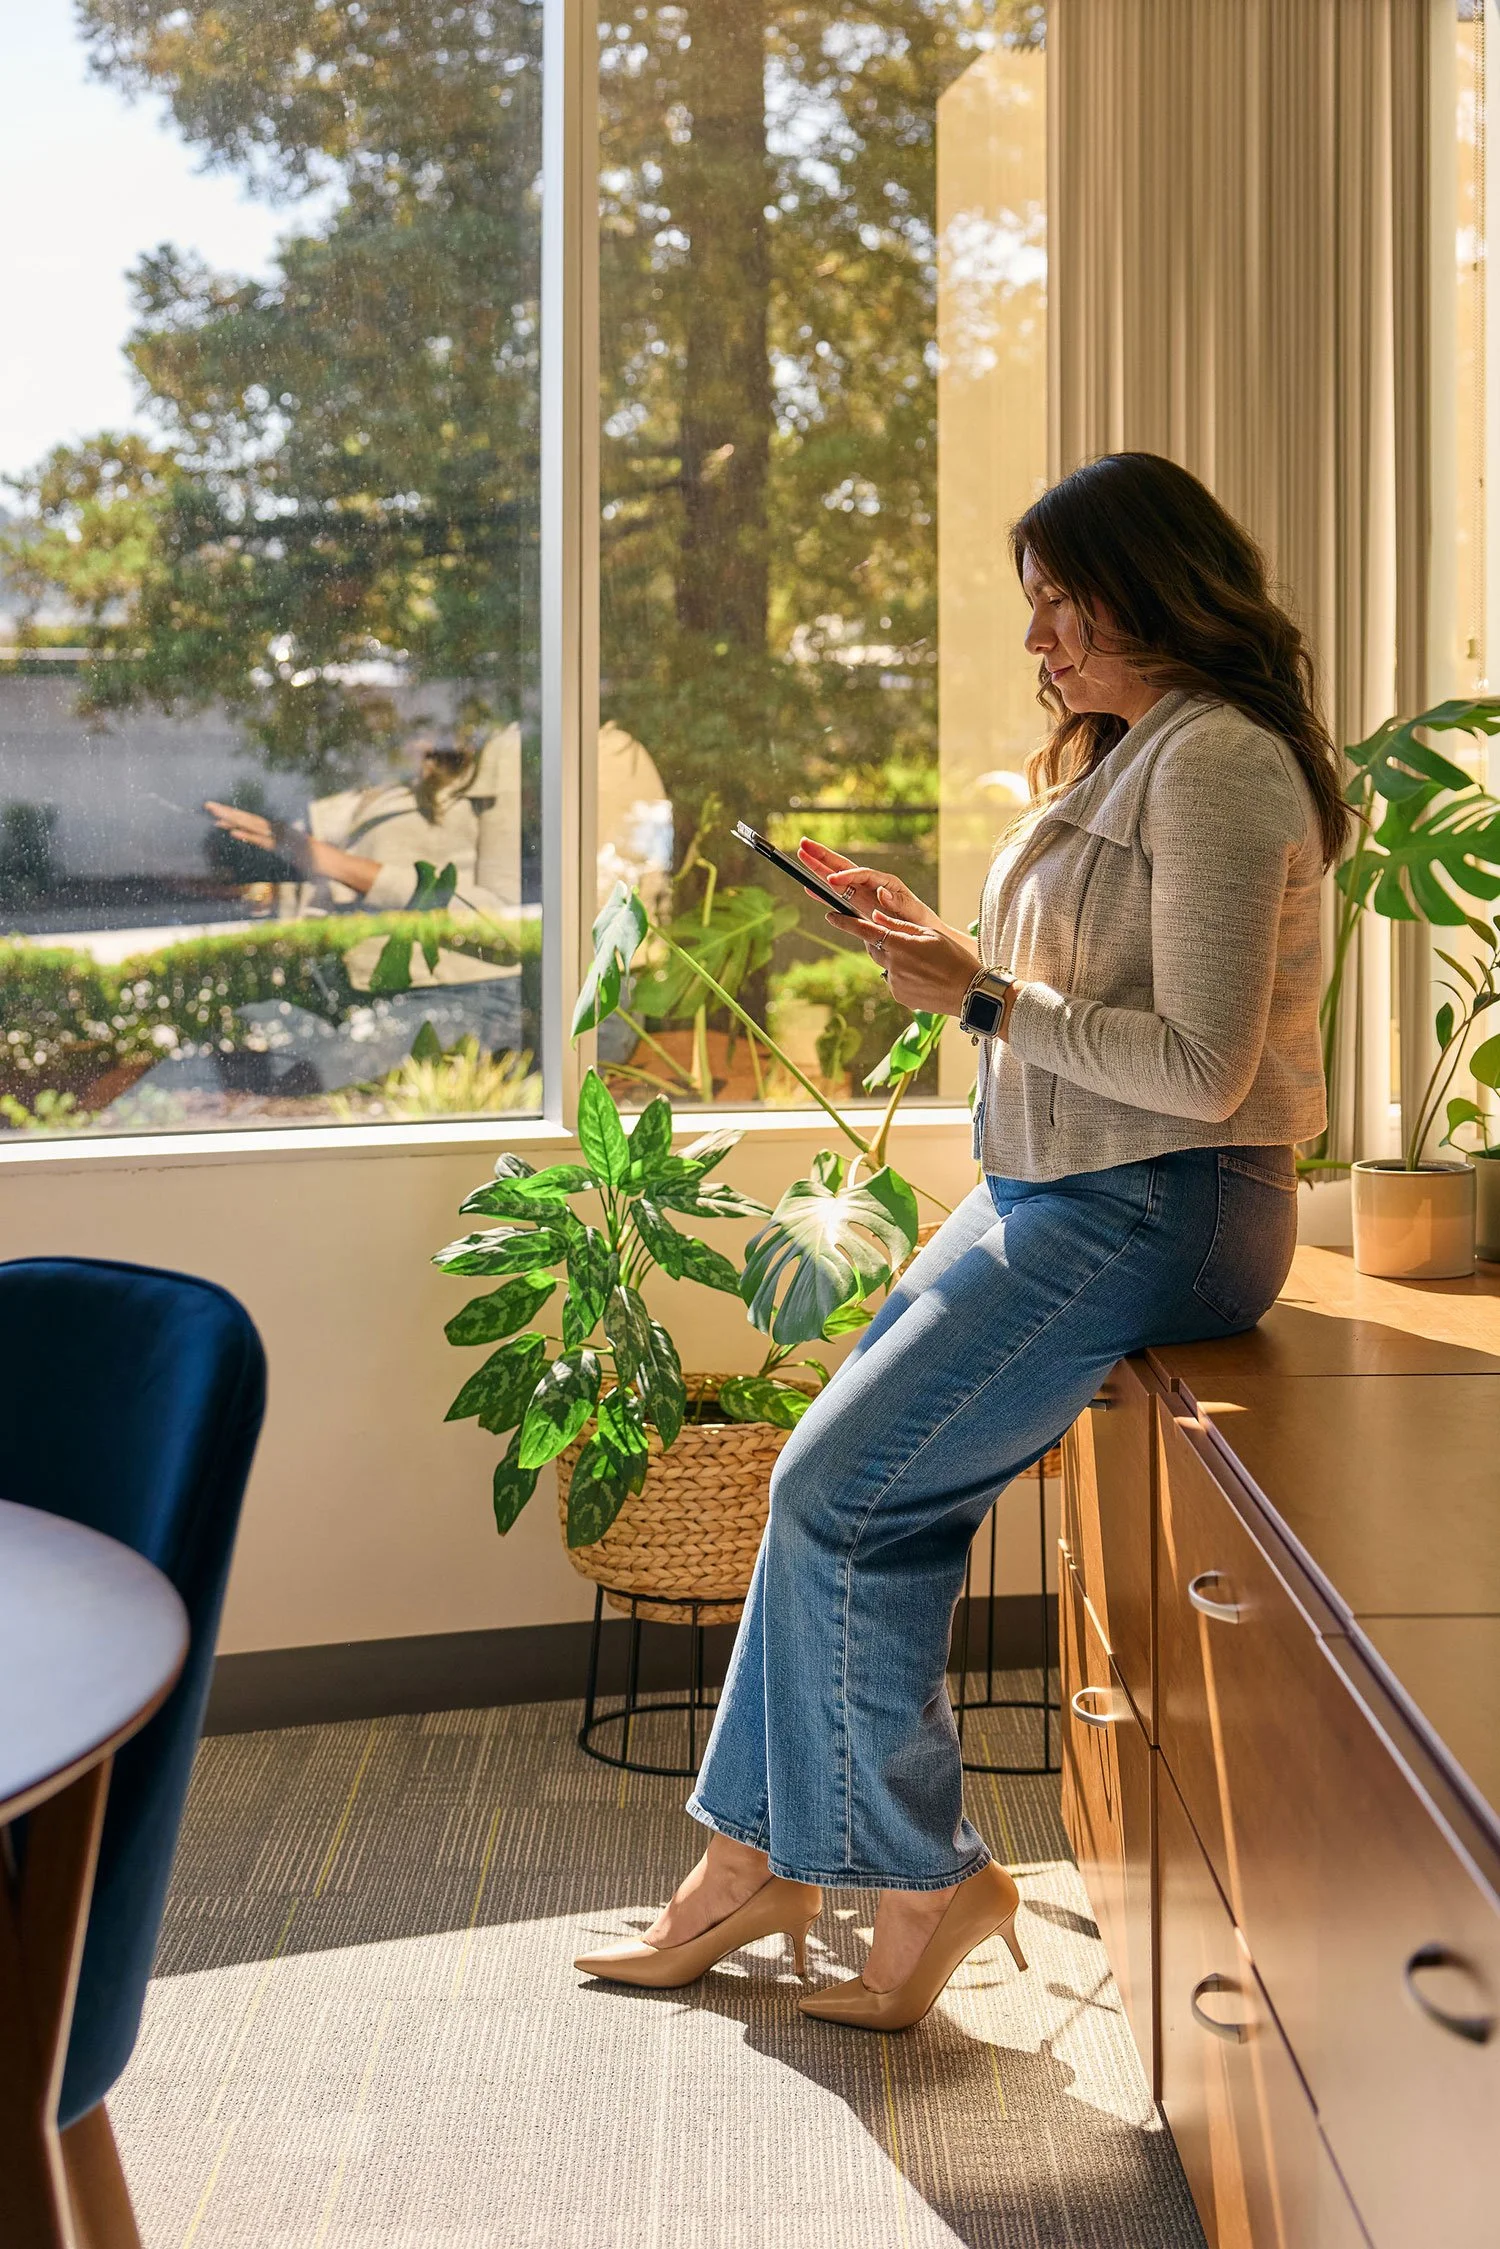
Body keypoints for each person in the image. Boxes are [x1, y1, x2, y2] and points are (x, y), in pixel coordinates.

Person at [574, 450, 1349, 2030]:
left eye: (1062, 603)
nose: (1039, 639)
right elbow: (1097, 1004)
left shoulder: (1217, 764)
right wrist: (945, 948)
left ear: (1153, 589)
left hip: (1164, 1200)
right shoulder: (1143, 752)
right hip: (1062, 1191)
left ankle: (916, 1879)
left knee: (835, 1490)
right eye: (1036, 607)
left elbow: (1198, 1068)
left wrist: (976, 990)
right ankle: (752, 1859)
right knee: (845, 1494)